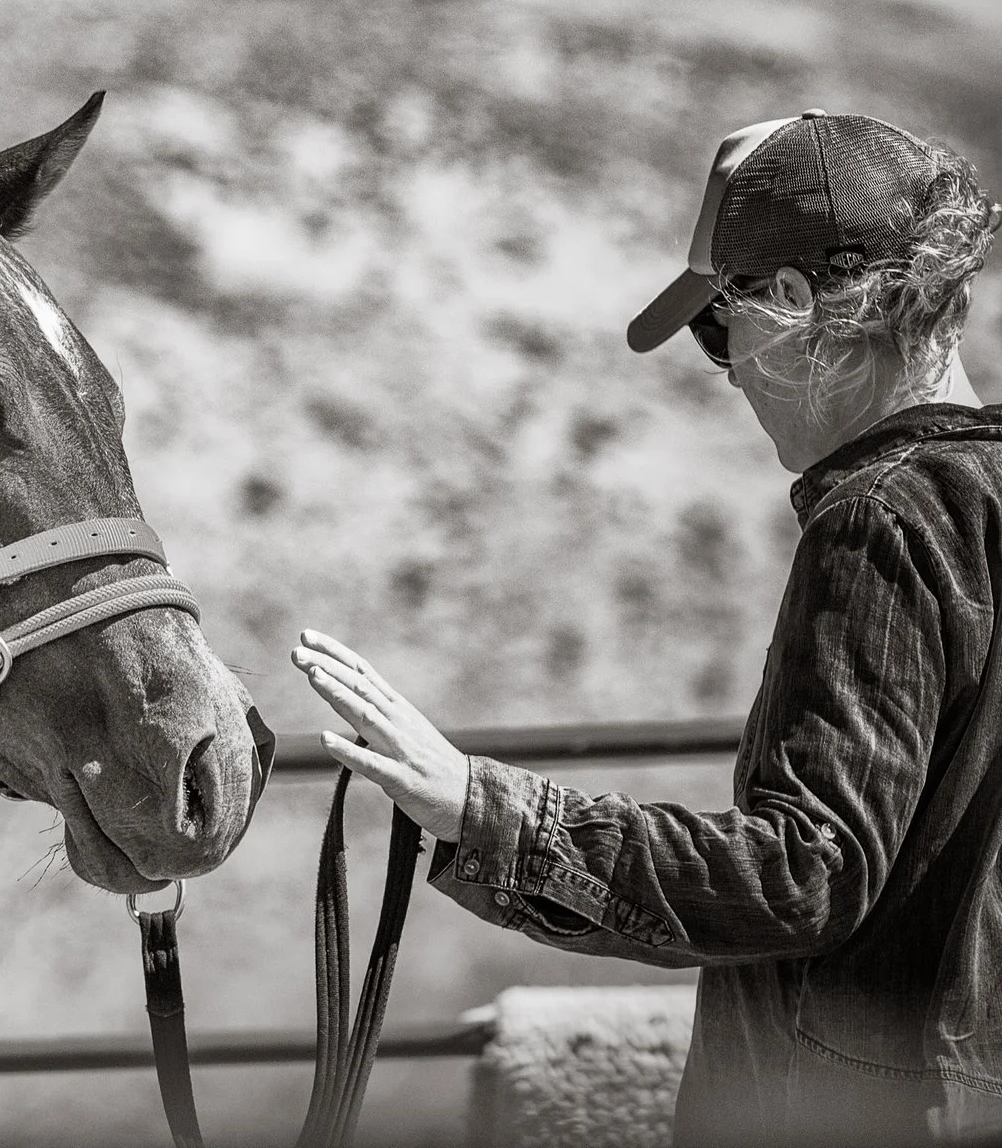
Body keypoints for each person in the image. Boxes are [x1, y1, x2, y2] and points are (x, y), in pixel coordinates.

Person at [291, 111, 1002, 1146]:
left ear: (797, 306)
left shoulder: (880, 518)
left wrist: (484, 811)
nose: (727, 368)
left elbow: (804, 871)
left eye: (720, 325)